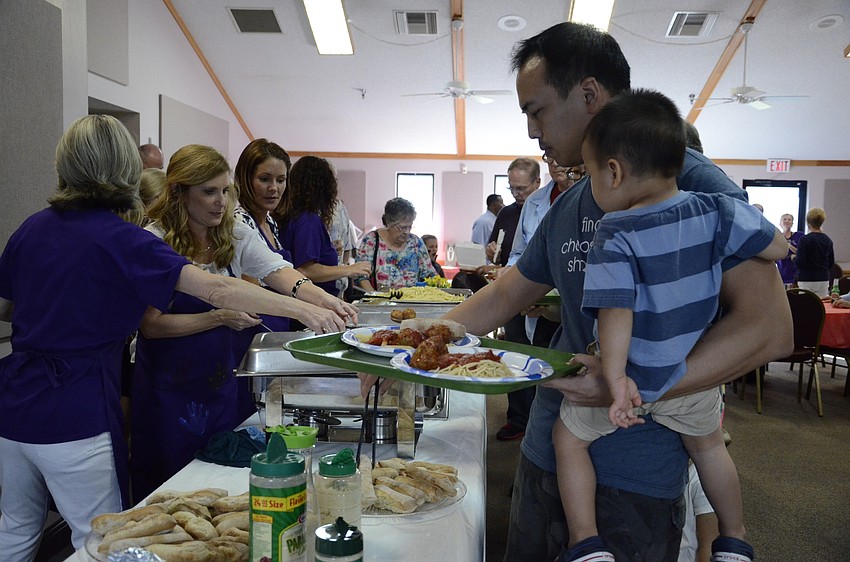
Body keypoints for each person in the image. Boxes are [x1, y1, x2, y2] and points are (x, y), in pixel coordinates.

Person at [386, 22, 789, 561]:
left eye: (537, 110)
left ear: (590, 95)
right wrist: (413, 339)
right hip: (551, 451)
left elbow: (769, 329)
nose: (532, 131)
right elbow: (508, 295)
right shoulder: (575, 198)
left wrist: (631, 386)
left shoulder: (690, 182)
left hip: (637, 474)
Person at [0, 115, 353, 561]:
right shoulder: (126, 239)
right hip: (73, 408)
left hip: (13, 406)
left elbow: (8, 306)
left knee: (15, 529)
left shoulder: (32, 228)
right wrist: (304, 309)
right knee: (101, 540)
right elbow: (217, 289)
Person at [552, 89, 786, 562]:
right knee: (708, 449)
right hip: (688, 373)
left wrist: (616, 382)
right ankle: (735, 539)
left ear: (613, 172)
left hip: (636, 375)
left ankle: (585, 542)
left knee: (569, 437)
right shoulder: (715, 210)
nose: (588, 185)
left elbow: (615, 312)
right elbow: (778, 247)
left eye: (589, 173)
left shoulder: (614, 232)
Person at [130, 144, 360, 501]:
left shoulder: (231, 232)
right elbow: (153, 326)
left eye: (225, 191)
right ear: (178, 192)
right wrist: (220, 316)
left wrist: (325, 300)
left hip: (221, 381)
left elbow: (279, 271)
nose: (221, 202)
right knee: (172, 490)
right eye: (209, 192)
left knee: (222, 483)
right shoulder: (152, 241)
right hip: (169, 389)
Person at [276, 156, 371, 296]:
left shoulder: (291, 216)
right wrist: (349, 269)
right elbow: (306, 270)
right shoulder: (308, 221)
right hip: (312, 300)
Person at [233, 138, 295, 331]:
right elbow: (250, 292)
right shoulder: (239, 223)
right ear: (246, 179)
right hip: (256, 327)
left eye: (281, 180)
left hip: (278, 322)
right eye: (264, 179)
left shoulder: (270, 222)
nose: (274, 188)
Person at [353, 198, 437, 291]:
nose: (407, 232)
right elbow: (361, 276)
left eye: (410, 226)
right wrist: (374, 296)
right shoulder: (372, 240)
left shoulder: (416, 242)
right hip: (380, 301)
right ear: (389, 223)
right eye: (402, 227)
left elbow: (429, 274)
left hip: (413, 301)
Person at [795, 207, 834, 297]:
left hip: (806, 278)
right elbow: (831, 263)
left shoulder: (804, 239)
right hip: (823, 278)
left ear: (808, 223)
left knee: (806, 305)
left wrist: (794, 258)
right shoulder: (828, 240)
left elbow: (800, 262)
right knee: (821, 305)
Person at [776, 214, 804, 288]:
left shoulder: (799, 236)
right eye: (784, 219)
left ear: (792, 223)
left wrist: (790, 246)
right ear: (780, 223)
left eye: (789, 219)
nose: (787, 221)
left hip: (796, 275)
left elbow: (803, 253)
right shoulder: (777, 237)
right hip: (782, 274)